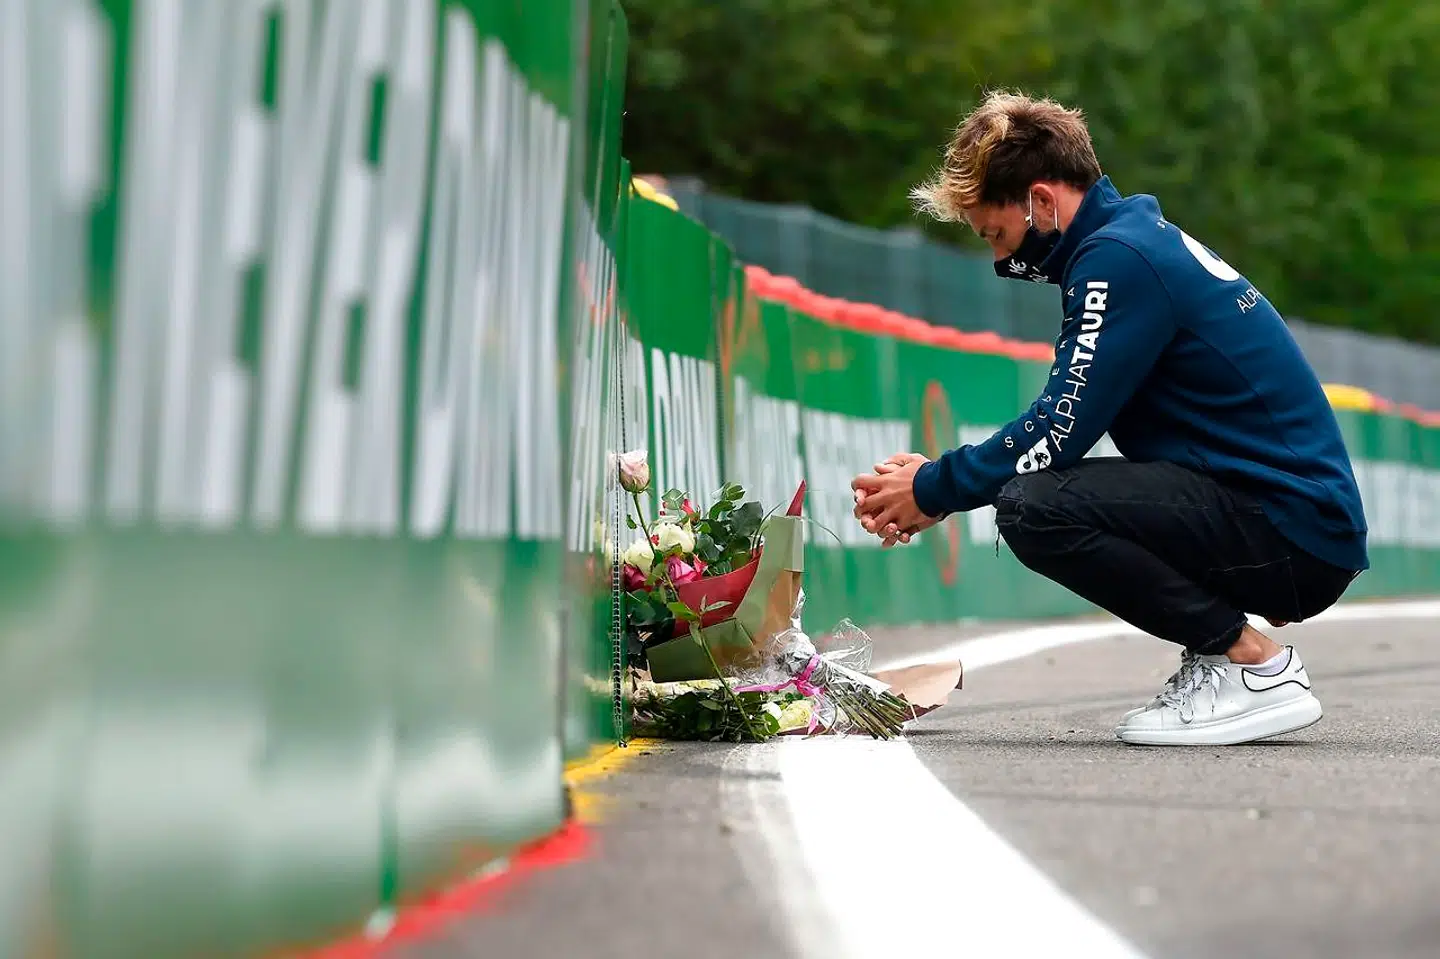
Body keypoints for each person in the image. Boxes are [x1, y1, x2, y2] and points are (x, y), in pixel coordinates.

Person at [851, 90, 1368, 746]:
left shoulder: (1116, 260)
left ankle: (1248, 662)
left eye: (998, 235)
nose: (1000, 259)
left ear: (1041, 201)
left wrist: (934, 487)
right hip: (1290, 517)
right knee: (1044, 497)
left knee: (1033, 507)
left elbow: (1059, 428)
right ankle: (1224, 656)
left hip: (1292, 527)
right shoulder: (1128, 242)